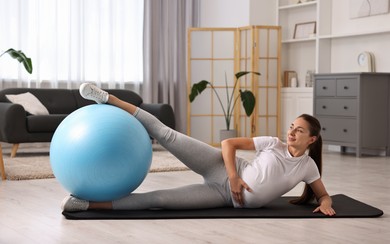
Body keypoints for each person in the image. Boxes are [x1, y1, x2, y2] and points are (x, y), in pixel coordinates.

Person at [61, 83, 336, 216]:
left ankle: (85, 204)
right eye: (291, 126)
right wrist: (234, 178)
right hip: (220, 168)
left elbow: (323, 195)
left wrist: (325, 204)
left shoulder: (307, 167)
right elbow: (228, 144)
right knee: (165, 133)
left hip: (220, 196)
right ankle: (108, 98)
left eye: (299, 130)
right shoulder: (272, 143)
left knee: (158, 200)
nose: (291, 132)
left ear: (312, 139)